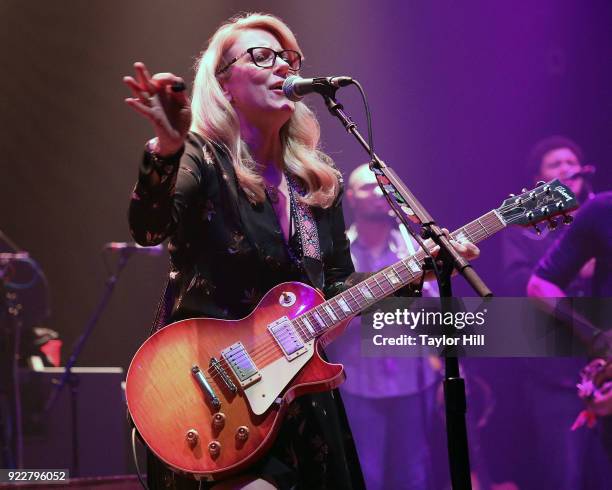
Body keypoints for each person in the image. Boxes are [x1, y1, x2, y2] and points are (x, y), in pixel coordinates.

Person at [123, 12, 479, 489]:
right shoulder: (201, 158)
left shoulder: (316, 182)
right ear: (224, 83)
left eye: (290, 58)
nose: (284, 68)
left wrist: (420, 270)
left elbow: (336, 288)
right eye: (262, 57)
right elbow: (148, 230)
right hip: (210, 398)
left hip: (300, 399)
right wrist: (167, 147)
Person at [494, 136, 607, 489]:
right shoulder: (527, 230)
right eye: (555, 165)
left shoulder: (600, 215)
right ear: (539, 181)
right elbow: (515, 286)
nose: (566, 169)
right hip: (556, 369)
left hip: (606, 364)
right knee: (563, 473)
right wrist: (573, 267)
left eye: (571, 162)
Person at [324, 164, 441, 490]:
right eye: (367, 187)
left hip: (412, 381)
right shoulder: (342, 253)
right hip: (357, 384)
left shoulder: (409, 248)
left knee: (413, 475)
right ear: (350, 198)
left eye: (382, 187)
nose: (378, 193)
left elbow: (435, 315)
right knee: (367, 474)